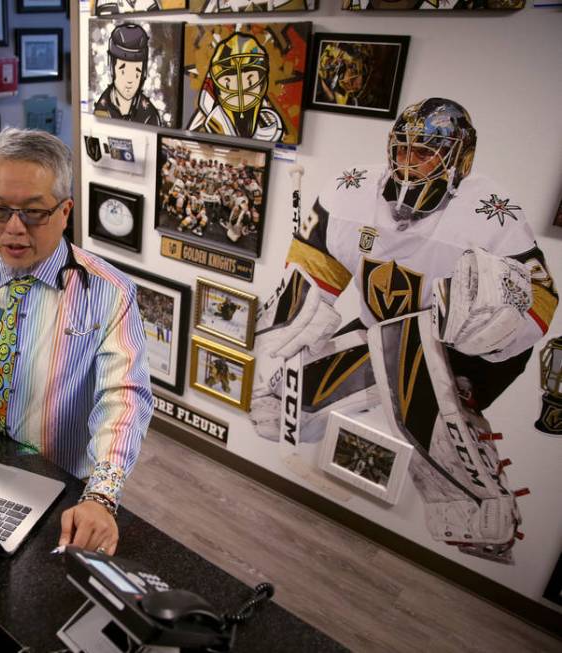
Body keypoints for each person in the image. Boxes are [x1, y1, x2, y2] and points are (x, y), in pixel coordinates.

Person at [249, 97, 557, 562]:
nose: (409, 164)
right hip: (385, 330)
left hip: (463, 351)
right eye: (403, 150)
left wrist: (495, 322)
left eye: (426, 152)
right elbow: (314, 272)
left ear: (460, 158)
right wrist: (288, 326)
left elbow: (540, 302)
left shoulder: (493, 212)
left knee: (415, 348)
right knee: (274, 404)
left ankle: (477, 495)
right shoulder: (350, 189)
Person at [0, 128, 152, 555]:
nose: (14, 229)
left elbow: (124, 397)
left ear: (65, 211)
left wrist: (101, 496)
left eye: (33, 212)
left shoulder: (108, 293)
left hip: (59, 489)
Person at [186, 31, 284, 142]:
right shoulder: (198, 129)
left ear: (261, 84)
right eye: (228, 82)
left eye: (250, 80)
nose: (240, 90)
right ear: (216, 87)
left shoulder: (269, 122)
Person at [93, 23, 161, 126]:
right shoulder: (101, 110)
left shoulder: (149, 116)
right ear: (112, 68)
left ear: (143, 72)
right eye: (123, 71)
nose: (130, 80)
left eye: (137, 72)